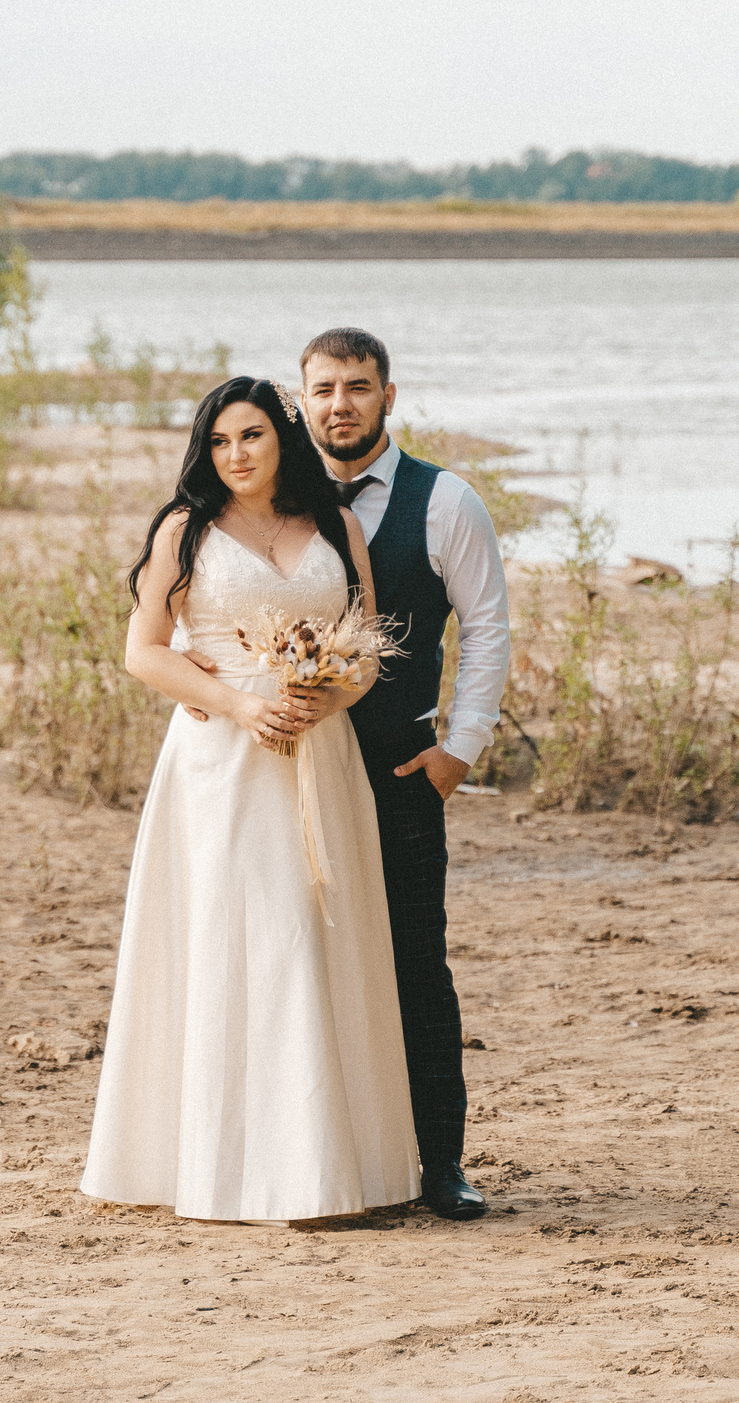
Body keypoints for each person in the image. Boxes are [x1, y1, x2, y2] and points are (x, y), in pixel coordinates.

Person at [180, 328, 511, 1220]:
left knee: (410, 960)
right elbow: (195, 623)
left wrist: (458, 752)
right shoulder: (254, 505)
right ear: (301, 402)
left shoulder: (446, 503)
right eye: (323, 389)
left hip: (398, 760)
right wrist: (219, 695)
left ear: (388, 397)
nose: (340, 405)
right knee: (291, 957)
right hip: (273, 767)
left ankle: (437, 1161)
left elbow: (486, 630)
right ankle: (313, 1155)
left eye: (357, 387)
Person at [79, 376, 422, 1224]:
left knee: (314, 935)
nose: (236, 455)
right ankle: (224, 1169)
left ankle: (325, 1171)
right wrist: (239, 703)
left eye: (253, 437)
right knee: (243, 940)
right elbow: (144, 651)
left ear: (284, 438)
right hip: (222, 764)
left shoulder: (335, 525)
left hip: (319, 754)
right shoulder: (185, 530)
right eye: (222, 441)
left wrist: (327, 697)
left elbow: (369, 652)